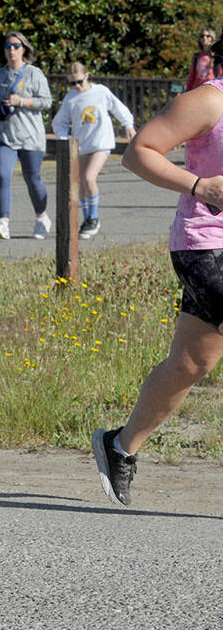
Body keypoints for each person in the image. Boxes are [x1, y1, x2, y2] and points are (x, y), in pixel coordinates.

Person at [92, 53, 223, 508]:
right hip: (206, 244)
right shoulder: (209, 101)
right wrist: (199, 185)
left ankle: (120, 446)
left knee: (191, 363)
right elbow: (139, 151)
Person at [51, 61, 136, 239]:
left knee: (89, 178)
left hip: (101, 143)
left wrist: (128, 124)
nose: (77, 86)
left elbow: (117, 107)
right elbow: (60, 122)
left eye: (79, 82)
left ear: (87, 76)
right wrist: (62, 138)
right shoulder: (70, 98)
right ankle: (87, 218)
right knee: (81, 183)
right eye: (72, 83)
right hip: (81, 145)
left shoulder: (100, 92)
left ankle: (94, 218)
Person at [0, 31, 52, 241]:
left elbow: (46, 101)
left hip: (30, 136)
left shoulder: (35, 74)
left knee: (32, 179)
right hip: (5, 134)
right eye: (7, 46)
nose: (11, 50)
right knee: (2, 175)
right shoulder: (0, 74)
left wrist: (22, 102)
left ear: (24, 48)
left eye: (16, 46)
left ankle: (42, 217)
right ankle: (3, 222)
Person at [186, 27, 220, 92]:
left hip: (212, 91)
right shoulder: (196, 57)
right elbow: (191, 78)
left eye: (208, 36)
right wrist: (187, 92)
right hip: (197, 90)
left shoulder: (218, 57)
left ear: (212, 38)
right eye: (202, 36)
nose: (204, 38)